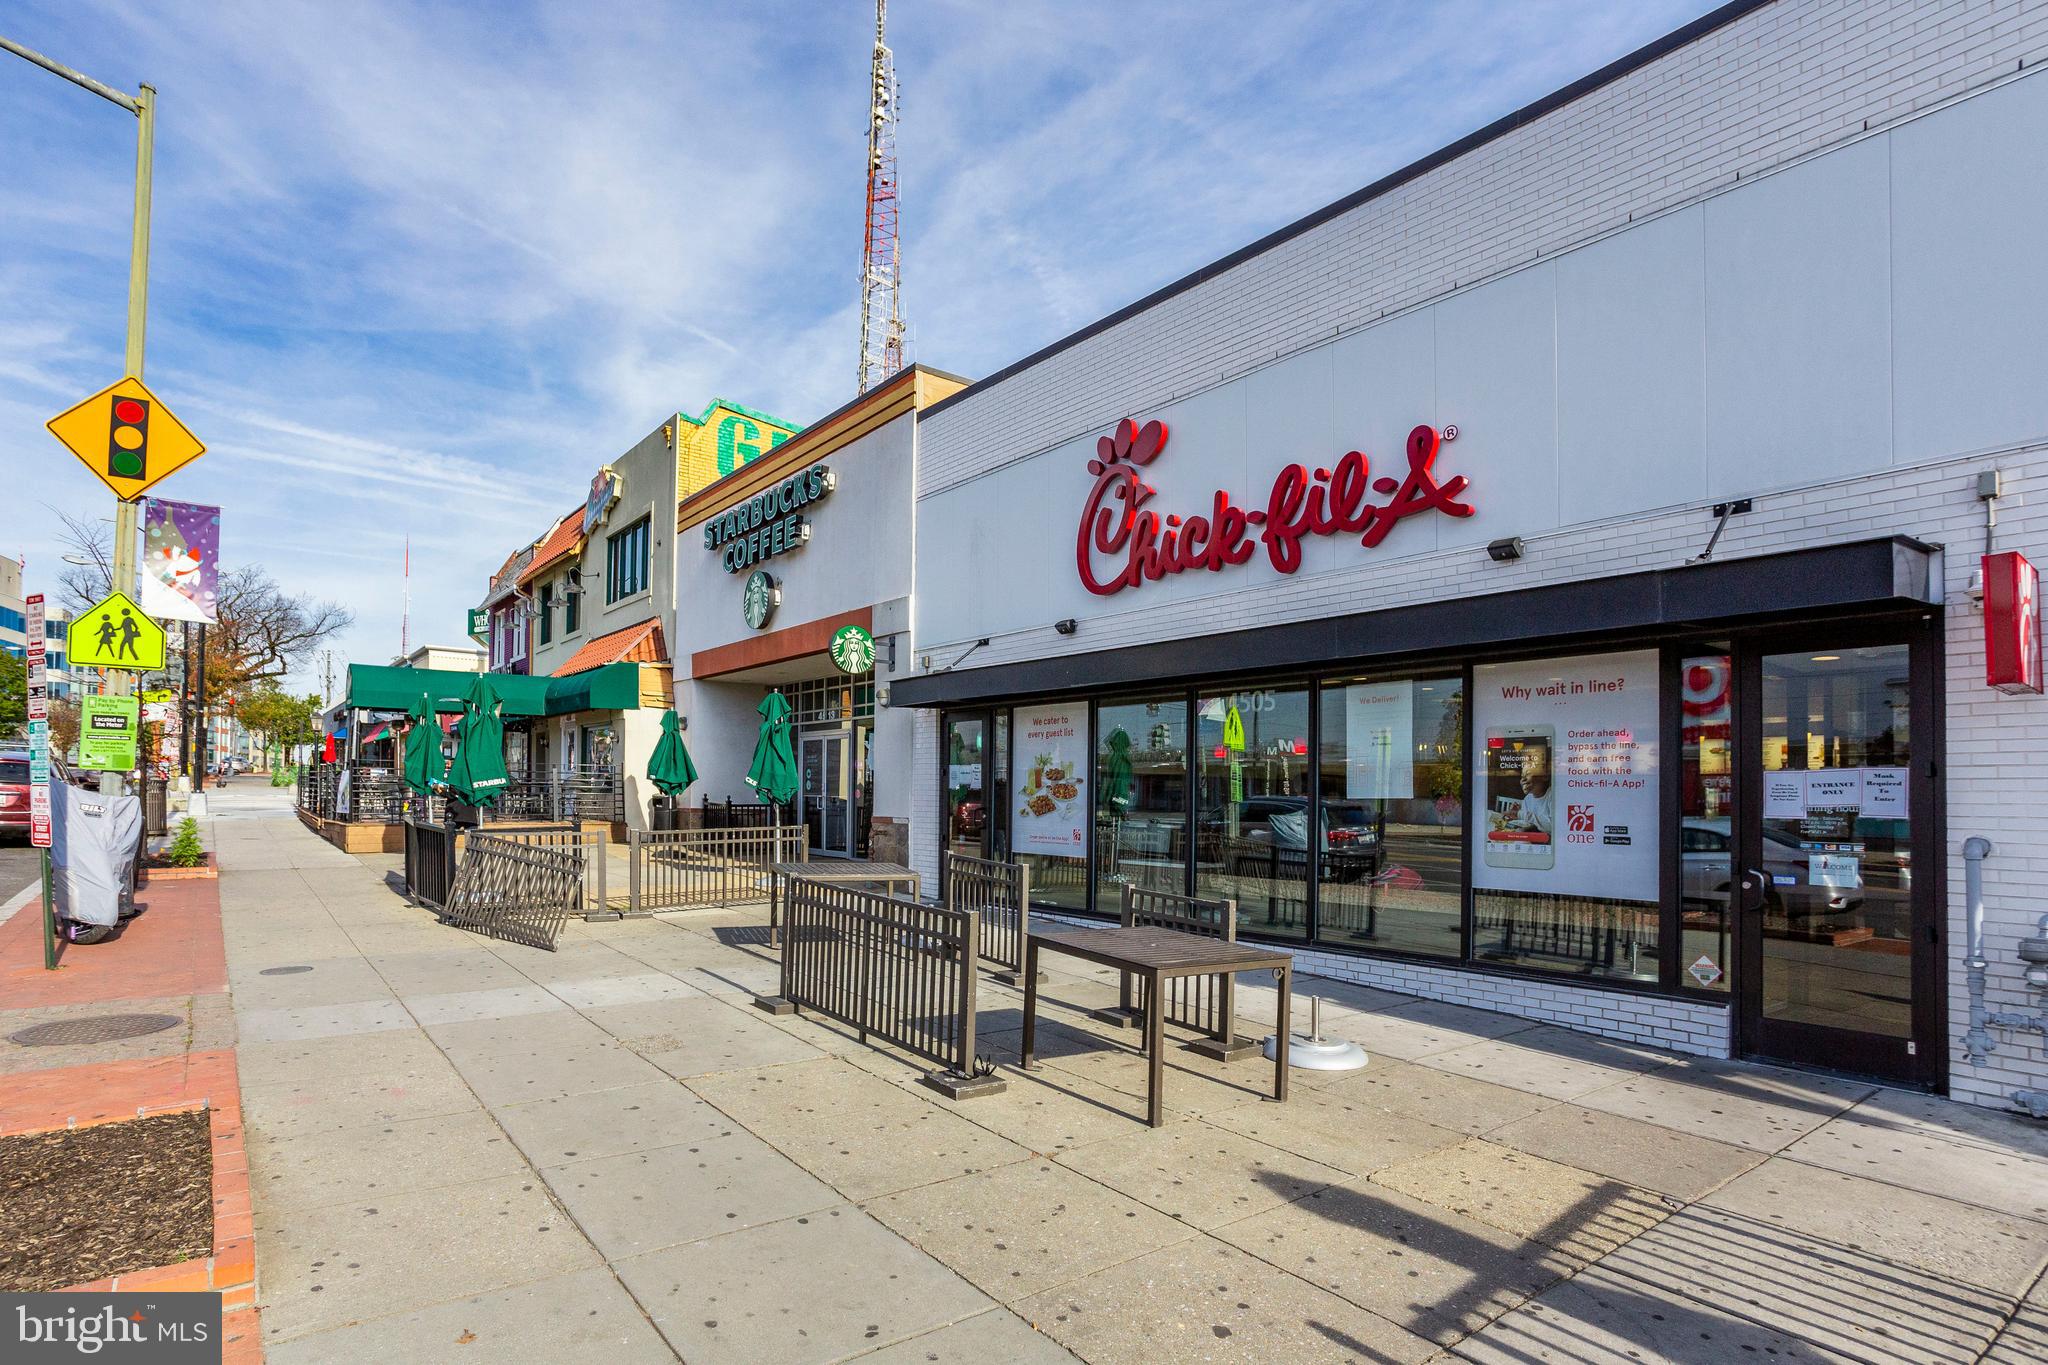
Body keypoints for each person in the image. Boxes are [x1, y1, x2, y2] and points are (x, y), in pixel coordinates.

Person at [1508, 764, 1553, 838]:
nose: (1523, 780)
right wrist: (1517, 816)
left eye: (1528, 774)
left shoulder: (1553, 796)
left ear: (1545, 777)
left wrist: (1520, 814)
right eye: (1522, 776)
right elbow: (1530, 823)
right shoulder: (1527, 799)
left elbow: (1553, 826)